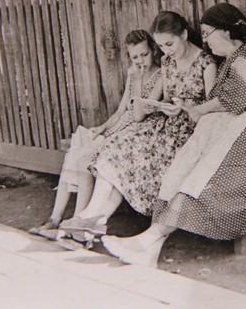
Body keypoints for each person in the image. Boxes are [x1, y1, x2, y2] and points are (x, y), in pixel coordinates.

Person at [101, 2, 246, 267]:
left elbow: (235, 98)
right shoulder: (231, 60)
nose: (205, 40)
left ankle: (147, 241)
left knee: (202, 177)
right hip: (231, 129)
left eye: (207, 33)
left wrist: (199, 110)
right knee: (181, 169)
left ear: (225, 31)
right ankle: (149, 248)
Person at [58, 11, 217, 239]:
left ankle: (90, 220)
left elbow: (210, 109)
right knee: (115, 152)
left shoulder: (206, 63)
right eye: (161, 46)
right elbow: (162, 99)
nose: (166, 51)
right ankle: (93, 219)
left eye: (169, 44)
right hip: (162, 125)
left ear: (184, 35)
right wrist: (163, 105)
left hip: (188, 133)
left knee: (128, 160)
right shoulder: (167, 61)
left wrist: (187, 108)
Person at [29, 29, 163, 238]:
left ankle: (75, 223)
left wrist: (137, 80)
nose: (140, 61)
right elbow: (121, 111)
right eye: (134, 57)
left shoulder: (159, 75)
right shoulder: (133, 73)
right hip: (119, 127)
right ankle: (55, 220)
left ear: (153, 51)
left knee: (84, 158)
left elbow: (138, 115)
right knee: (77, 147)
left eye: (144, 55)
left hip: (136, 130)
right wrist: (102, 128)